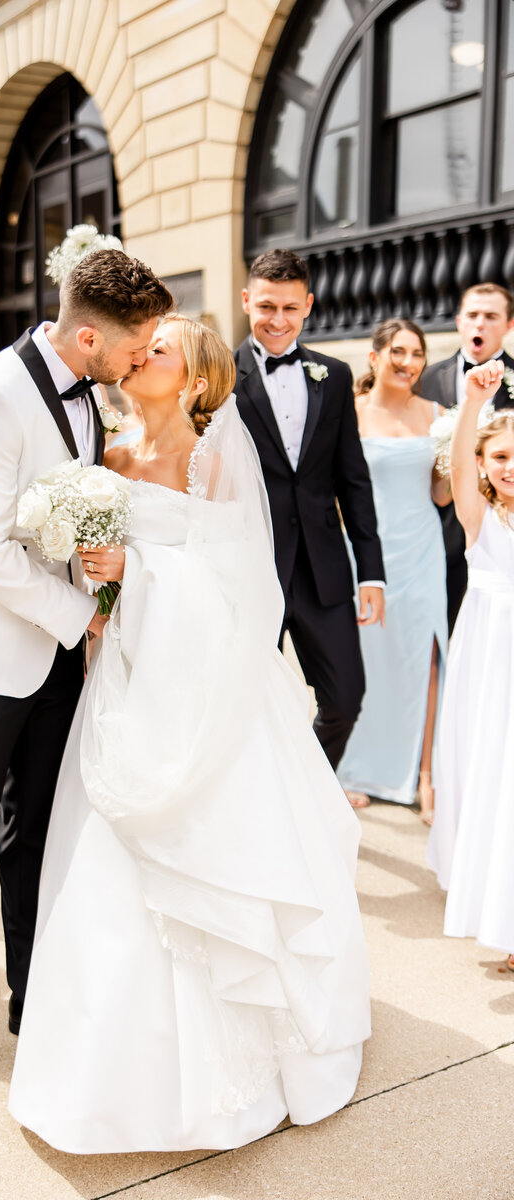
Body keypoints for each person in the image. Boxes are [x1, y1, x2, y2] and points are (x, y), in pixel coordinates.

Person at [8, 316, 371, 1153]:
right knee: (103, 862)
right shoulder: (105, 456)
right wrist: (96, 579)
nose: (139, 356)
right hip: (126, 675)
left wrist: (137, 573)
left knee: (216, 857)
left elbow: (238, 591)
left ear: (198, 378)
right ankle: (99, 1067)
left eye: (158, 350)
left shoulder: (214, 464)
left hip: (203, 687)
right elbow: (97, 559)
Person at [0, 249, 174, 1097]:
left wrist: (101, 585)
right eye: (136, 347)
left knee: (38, 840)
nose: (140, 361)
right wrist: (80, 616)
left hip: (56, 661)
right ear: (89, 335)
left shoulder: (91, 390)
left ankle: (34, 997)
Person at [233, 249, 385, 783]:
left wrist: (371, 571)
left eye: (290, 308)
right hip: (250, 571)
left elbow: (354, 478)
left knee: (345, 698)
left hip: (324, 571)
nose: (277, 320)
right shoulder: (219, 376)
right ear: (247, 299)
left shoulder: (336, 376)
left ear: (309, 306)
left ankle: (307, 796)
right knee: (247, 707)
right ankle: (257, 808)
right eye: (267, 306)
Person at [337, 321, 450, 821]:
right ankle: (355, 768)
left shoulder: (438, 414)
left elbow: (441, 495)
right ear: (375, 356)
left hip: (422, 548)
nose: (408, 362)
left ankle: (425, 776)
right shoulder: (351, 413)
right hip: (365, 552)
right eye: (398, 352)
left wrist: (451, 449)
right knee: (367, 658)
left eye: (417, 354)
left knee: (423, 657)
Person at [427, 360, 514, 970]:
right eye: (500, 456)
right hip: (490, 661)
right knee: (493, 775)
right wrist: (471, 407)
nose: (509, 466)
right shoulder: (479, 519)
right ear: (484, 466)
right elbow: (456, 464)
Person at [419, 283, 514, 632]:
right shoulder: (426, 380)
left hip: (503, 530)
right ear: (459, 321)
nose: (480, 324)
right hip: (437, 528)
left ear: (509, 324)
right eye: (472, 315)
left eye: (491, 316)